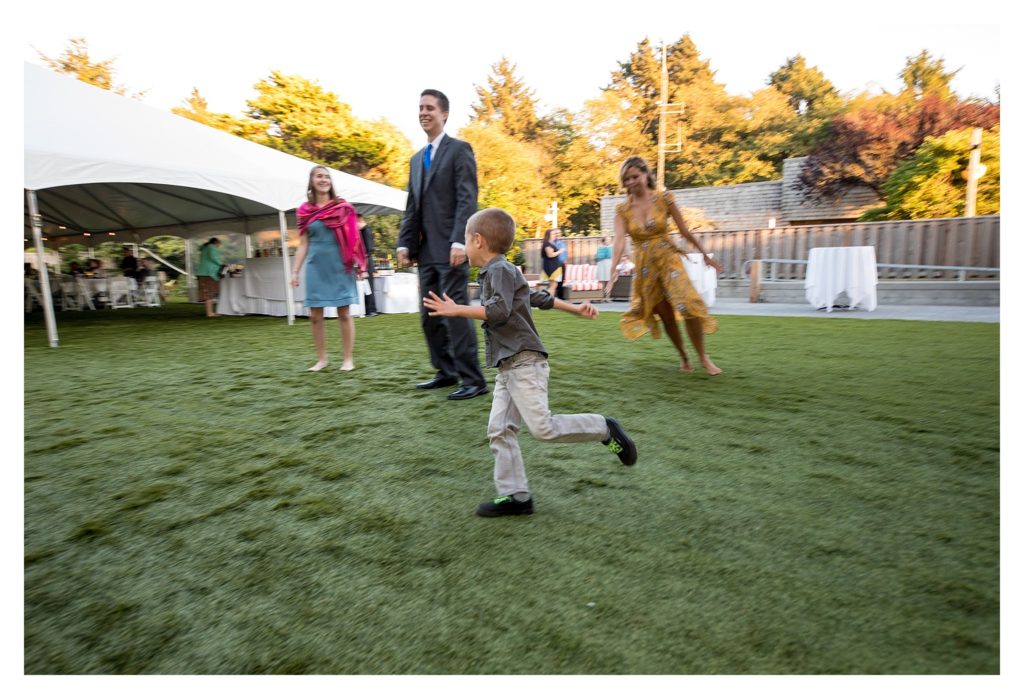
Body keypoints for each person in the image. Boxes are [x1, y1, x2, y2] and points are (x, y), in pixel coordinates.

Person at [423, 208, 638, 517]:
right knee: (499, 429)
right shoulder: (503, 272)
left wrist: (457, 310)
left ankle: (604, 429)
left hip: (524, 362)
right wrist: (575, 308)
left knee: (543, 429)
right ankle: (516, 496)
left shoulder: (499, 271)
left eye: (466, 241)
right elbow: (538, 297)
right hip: (508, 366)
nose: (464, 247)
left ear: (479, 241)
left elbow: (499, 312)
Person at [397, 89, 487, 401]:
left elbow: (467, 199)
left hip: (452, 250)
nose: (424, 112)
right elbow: (413, 206)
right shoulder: (415, 160)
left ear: (444, 114)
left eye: (430, 108)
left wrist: (460, 242)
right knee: (429, 317)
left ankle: (473, 380)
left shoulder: (460, 150)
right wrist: (404, 243)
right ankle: (446, 372)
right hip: (426, 253)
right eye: (420, 107)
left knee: (454, 314)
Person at [606, 156, 723, 375]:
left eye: (635, 176)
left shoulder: (664, 198)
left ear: (645, 175)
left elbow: (684, 230)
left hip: (669, 259)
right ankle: (684, 356)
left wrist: (704, 254)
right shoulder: (622, 210)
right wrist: (613, 270)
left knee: (688, 305)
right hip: (645, 267)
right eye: (627, 179)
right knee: (666, 315)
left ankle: (703, 357)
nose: (631, 182)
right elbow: (619, 241)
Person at [291, 165, 367, 372]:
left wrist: (359, 264)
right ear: (312, 181)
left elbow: (355, 238)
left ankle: (347, 359)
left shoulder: (344, 208)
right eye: (319, 176)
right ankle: (322, 359)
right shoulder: (304, 211)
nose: (323, 180)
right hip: (316, 266)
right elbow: (303, 243)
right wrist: (295, 271)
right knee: (315, 316)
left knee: (344, 313)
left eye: (327, 177)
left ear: (331, 182)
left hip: (340, 265)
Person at [357, 214, 378, 317]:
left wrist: (363, 262)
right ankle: (368, 309)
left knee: (368, 286)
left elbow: (369, 249)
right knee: (366, 286)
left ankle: (371, 309)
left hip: (366, 262)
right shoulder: (364, 230)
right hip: (365, 261)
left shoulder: (366, 230)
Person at [196, 237, 223, 318]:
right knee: (209, 293)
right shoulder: (211, 247)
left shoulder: (205, 248)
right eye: (219, 243)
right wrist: (222, 264)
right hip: (209, 273)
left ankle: (210, 312)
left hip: (203, 272)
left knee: (207, 293)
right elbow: (214, 258)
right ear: (215, 242)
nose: (219, 245)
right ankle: (210, 313)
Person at [540, 228, 566, 298]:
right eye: (553, 234)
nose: (555, 235)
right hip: (551, 267)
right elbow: (550, 255)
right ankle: (544, 297)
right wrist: (559, 251)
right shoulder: (547, 244)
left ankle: (549, 300)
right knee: (553, 285)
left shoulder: (550, 243)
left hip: (554, 266)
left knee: (553, 285)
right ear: (549, 235)